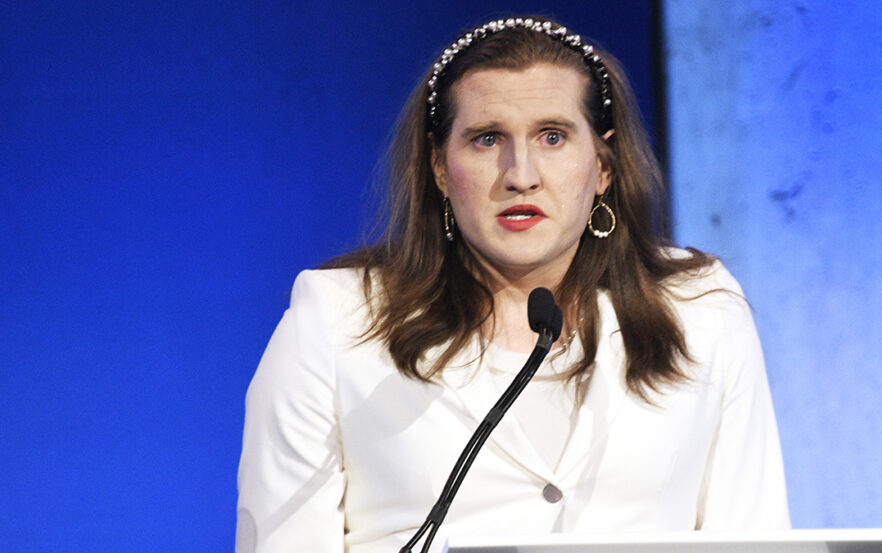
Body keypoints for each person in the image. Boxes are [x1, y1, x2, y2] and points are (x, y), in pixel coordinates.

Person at [237, 15, 789, 553]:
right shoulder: (338, 321)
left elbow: (755, 535)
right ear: (437, 167)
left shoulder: (700, 310)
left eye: (553, 136)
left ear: (602, 165)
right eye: (486, 139)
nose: (520, 172)